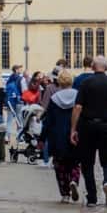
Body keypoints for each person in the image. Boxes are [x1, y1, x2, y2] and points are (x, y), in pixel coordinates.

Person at [69, 55, 107, 206]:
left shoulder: (86, 83)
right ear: (106, 67)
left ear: (93, 66)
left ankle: (92, 197)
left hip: (87, 126)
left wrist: (73, 129)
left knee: (87, 163)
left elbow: (78, 107)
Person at [42, 72, 81, 201]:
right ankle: (74, 180)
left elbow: (48, 121)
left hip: (57, 136)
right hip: (74, 134)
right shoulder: (78, 96)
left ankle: (65, 194)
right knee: (75, 162)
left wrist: (42, 138)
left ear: (59, 82)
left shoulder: (54, 99)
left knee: (60, 166)